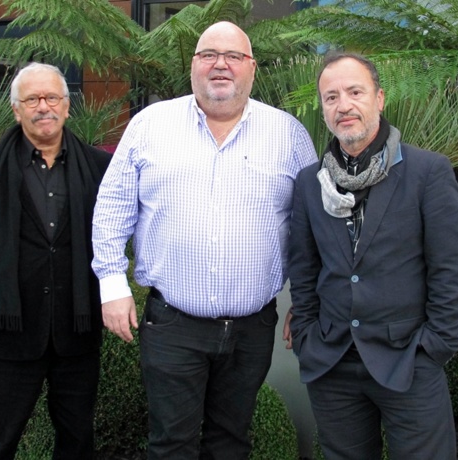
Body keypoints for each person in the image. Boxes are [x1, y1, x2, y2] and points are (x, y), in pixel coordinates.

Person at [92, 21, 317, 459]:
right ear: (193, 65)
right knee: (171, 443)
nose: (221, 64)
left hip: (253, 329)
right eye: (208, 54)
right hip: (172, 323)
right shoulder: (148, 126)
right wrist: (112, 287)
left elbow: (310, 228)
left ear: (251, 68)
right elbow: (112, 209)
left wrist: (307, 302)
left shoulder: (288, 135)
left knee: (231, 441)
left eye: (233, 56)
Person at [285, 52, 458, 459]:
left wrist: (435, 346)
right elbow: (304, 268)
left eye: (355, 92)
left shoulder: (428, 173)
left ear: (380, 98)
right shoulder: (309, 182)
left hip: (409, 360)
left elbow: (450, 269)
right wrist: (307, 336)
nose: (343, 105)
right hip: (332, 362)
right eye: (331, 97)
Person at [0, 62, 111, 459]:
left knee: (76, 442)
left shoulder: (97, 167)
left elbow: (109, 238)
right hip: (10, 332)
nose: (44, 106)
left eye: (52, 97)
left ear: (67, 106)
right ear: (16, 108)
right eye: (33, 99)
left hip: (77, 331)